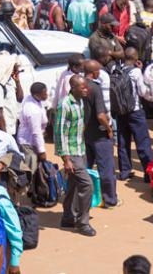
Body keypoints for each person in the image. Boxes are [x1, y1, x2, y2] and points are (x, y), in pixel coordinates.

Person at [55, 75, 96, 236]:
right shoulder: (64, 105)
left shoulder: (80, 102)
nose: (86, 89)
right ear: (73, 88)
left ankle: (67, 217)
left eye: (86, 86)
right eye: (82, 87)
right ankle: (82, 222)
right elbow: (59, 133)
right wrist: (66, 159)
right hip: (71, 154)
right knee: (87, 185)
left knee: (73, 185)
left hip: (80, 150)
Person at [82, 58, 118, 208]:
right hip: (99, 134)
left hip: (85, 134)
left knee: (86, 168)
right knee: (106, 169)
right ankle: (109, 199)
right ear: (93, 72)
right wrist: (109, 129)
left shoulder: (77, 86)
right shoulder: (95, 88)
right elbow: (101, 115)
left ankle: (87, 197)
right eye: (97, 71)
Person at [118, 47, 153, 181]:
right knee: (142, 142)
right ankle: (148, 172)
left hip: (121, 111)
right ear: (135, 58)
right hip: (135, 111)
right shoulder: (136, 72)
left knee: (123, 141)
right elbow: (143, 92)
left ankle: (125, 171)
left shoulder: (117, 69)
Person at [16, 82, 49, 173]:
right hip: (28, 143)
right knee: (31, 171)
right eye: (44, 93)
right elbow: (36, 132)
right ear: (37, 95)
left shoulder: (31, 99)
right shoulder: (33, 111)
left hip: (33, 141)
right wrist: (42, 151)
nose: (47, 94)